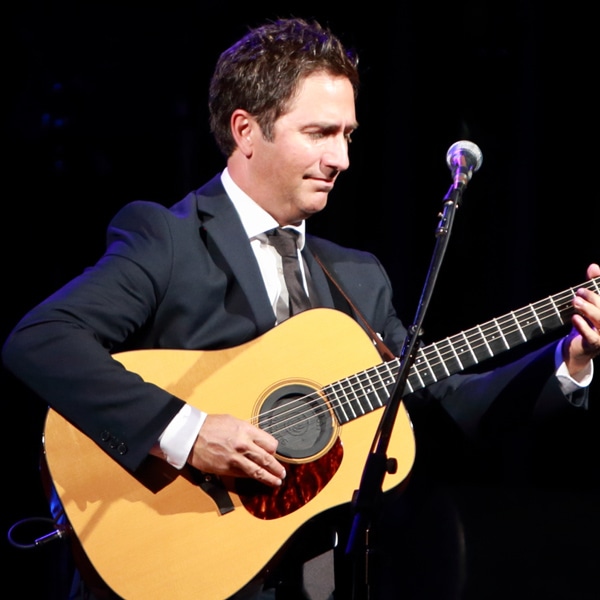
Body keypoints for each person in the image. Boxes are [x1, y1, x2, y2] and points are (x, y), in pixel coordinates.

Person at [2, 16, 599, 600]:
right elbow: (43, 339)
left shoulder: (358, 277)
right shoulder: (170, 239)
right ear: (246, 131)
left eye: (348, 135)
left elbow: (445, 405)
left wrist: (567, 362)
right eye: (319, 133)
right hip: (173, 563)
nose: (342, 159)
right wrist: (188, 432)